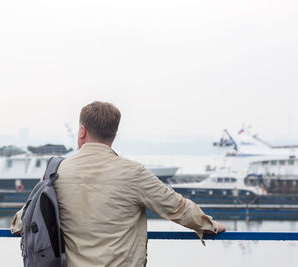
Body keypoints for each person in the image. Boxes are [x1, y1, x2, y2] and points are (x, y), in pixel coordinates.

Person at [54, 101, 225, 267]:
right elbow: (176, 207)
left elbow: (29, 218)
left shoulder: (57, 171)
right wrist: (209, 225)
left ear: (82, 131)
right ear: (114, 134)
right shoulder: (133, 173)